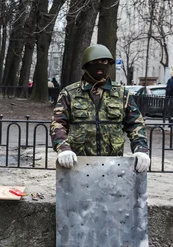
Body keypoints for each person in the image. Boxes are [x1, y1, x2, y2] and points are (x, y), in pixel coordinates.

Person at [51, 44, 150, 172]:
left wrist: (141, 149)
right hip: (78, 163)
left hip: (113, 163)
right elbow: (58, 123)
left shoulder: (121, 93)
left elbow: (135, 123)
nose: (100, 65)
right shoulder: (70, 93)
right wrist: (63, 148)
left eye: (104, 61)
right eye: (95, 62)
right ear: (87, 64)